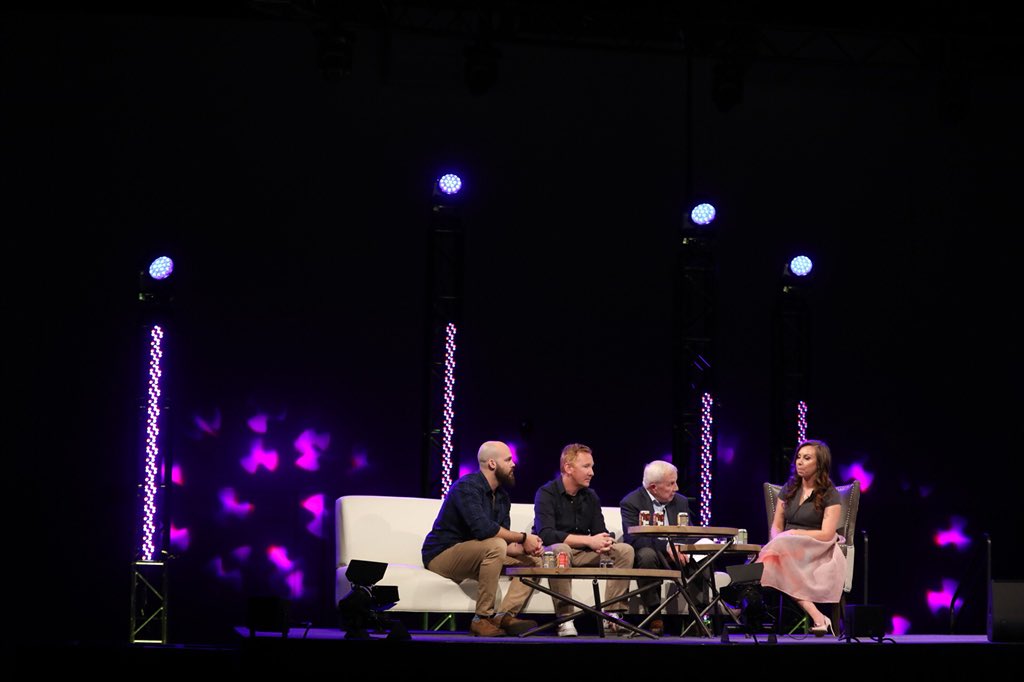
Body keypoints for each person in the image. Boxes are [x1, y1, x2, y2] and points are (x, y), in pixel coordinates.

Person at [422, 440, 545, 637]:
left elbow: (501, 543)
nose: (513, 464)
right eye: (508, 459)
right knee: (494, 544)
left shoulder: (503, 497)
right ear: (492, 464)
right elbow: (483, 530)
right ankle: (481, 619)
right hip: (442, 554)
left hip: (479, 552)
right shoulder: (467, 487)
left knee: (534, 561)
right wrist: (523, 537)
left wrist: (526, 548)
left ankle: (504, 616)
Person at [533, 442, 635, 637]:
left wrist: (605, 540)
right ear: (568, 468)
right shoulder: (546, 493)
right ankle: (565, 619)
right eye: (586, 466)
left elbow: (599, 530)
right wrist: (589, 541)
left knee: (624, 550)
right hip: (555, 554)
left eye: (592, 466)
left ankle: (612, 616)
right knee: (560, 549)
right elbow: (545, 533)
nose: (592, 472)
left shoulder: (591, 496)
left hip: (584, 554)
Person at [756, 439, 846, 636]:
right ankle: (818, 617)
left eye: (806, 458)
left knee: (770, 564)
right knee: (774, 560)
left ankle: (740, 609)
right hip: (787, 546)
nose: (799, 462)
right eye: (798, 457)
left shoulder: (830, 494)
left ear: (820, 464)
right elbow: (776, 525)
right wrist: (778, 541)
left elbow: (827, 533)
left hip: (816, 546)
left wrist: (794, 534)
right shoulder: (789, 489)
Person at [619, 459, 708, 635]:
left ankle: (697, 617)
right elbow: (634, 539)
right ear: (653, 487)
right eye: (671, 484)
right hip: (652, 556)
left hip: (677, 555)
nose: (676, 488)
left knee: (702, 554)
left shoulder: (680, 501)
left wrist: (684, 547)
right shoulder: (631, 502)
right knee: (646, 554)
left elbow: (689, 532)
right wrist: (667, 546)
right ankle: (655, 616)